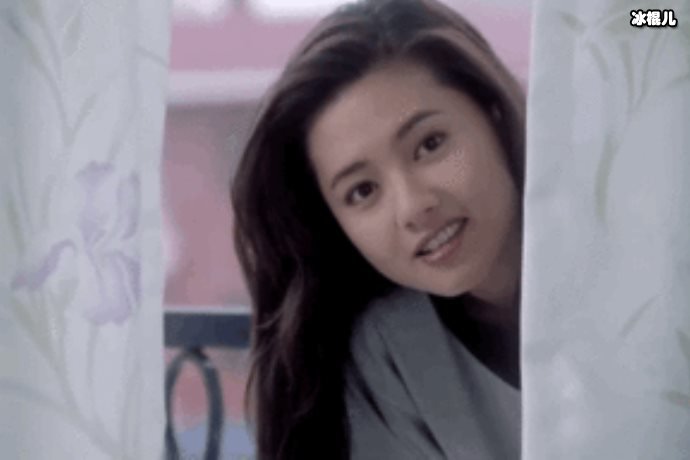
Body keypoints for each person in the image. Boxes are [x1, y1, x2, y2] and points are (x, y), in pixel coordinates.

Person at [231, 0, 525, 458]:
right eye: (363, 191)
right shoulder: (389, 349)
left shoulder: (636, 243)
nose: (413, 207)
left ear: (493, 113)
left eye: (430, 144)